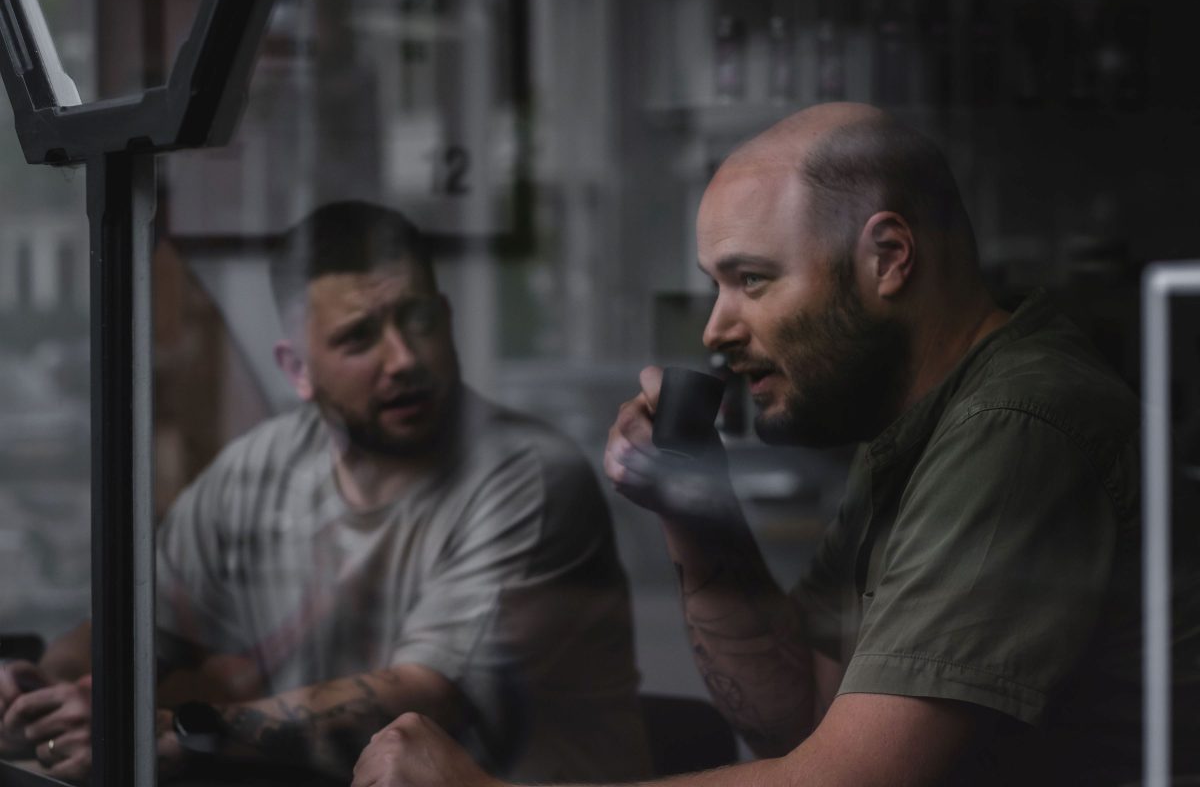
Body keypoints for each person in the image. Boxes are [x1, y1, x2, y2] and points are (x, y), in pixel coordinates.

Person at [348, 102, 1200, 786]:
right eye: (714, 285)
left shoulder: (1017, 426)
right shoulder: (912, 424)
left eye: (751, 280)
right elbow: (799, 719)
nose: (717, 328)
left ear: (889, 257)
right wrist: (698, 509)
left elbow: (846, 781)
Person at [0, 201, 652, 784]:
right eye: (358, 337)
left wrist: (174, 729)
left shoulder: (529, 476)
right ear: (296, 371)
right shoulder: (258, 469)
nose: (403, 358)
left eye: (418, 319)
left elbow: (424, 693)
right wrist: (42, 686)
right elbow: (147, 627)